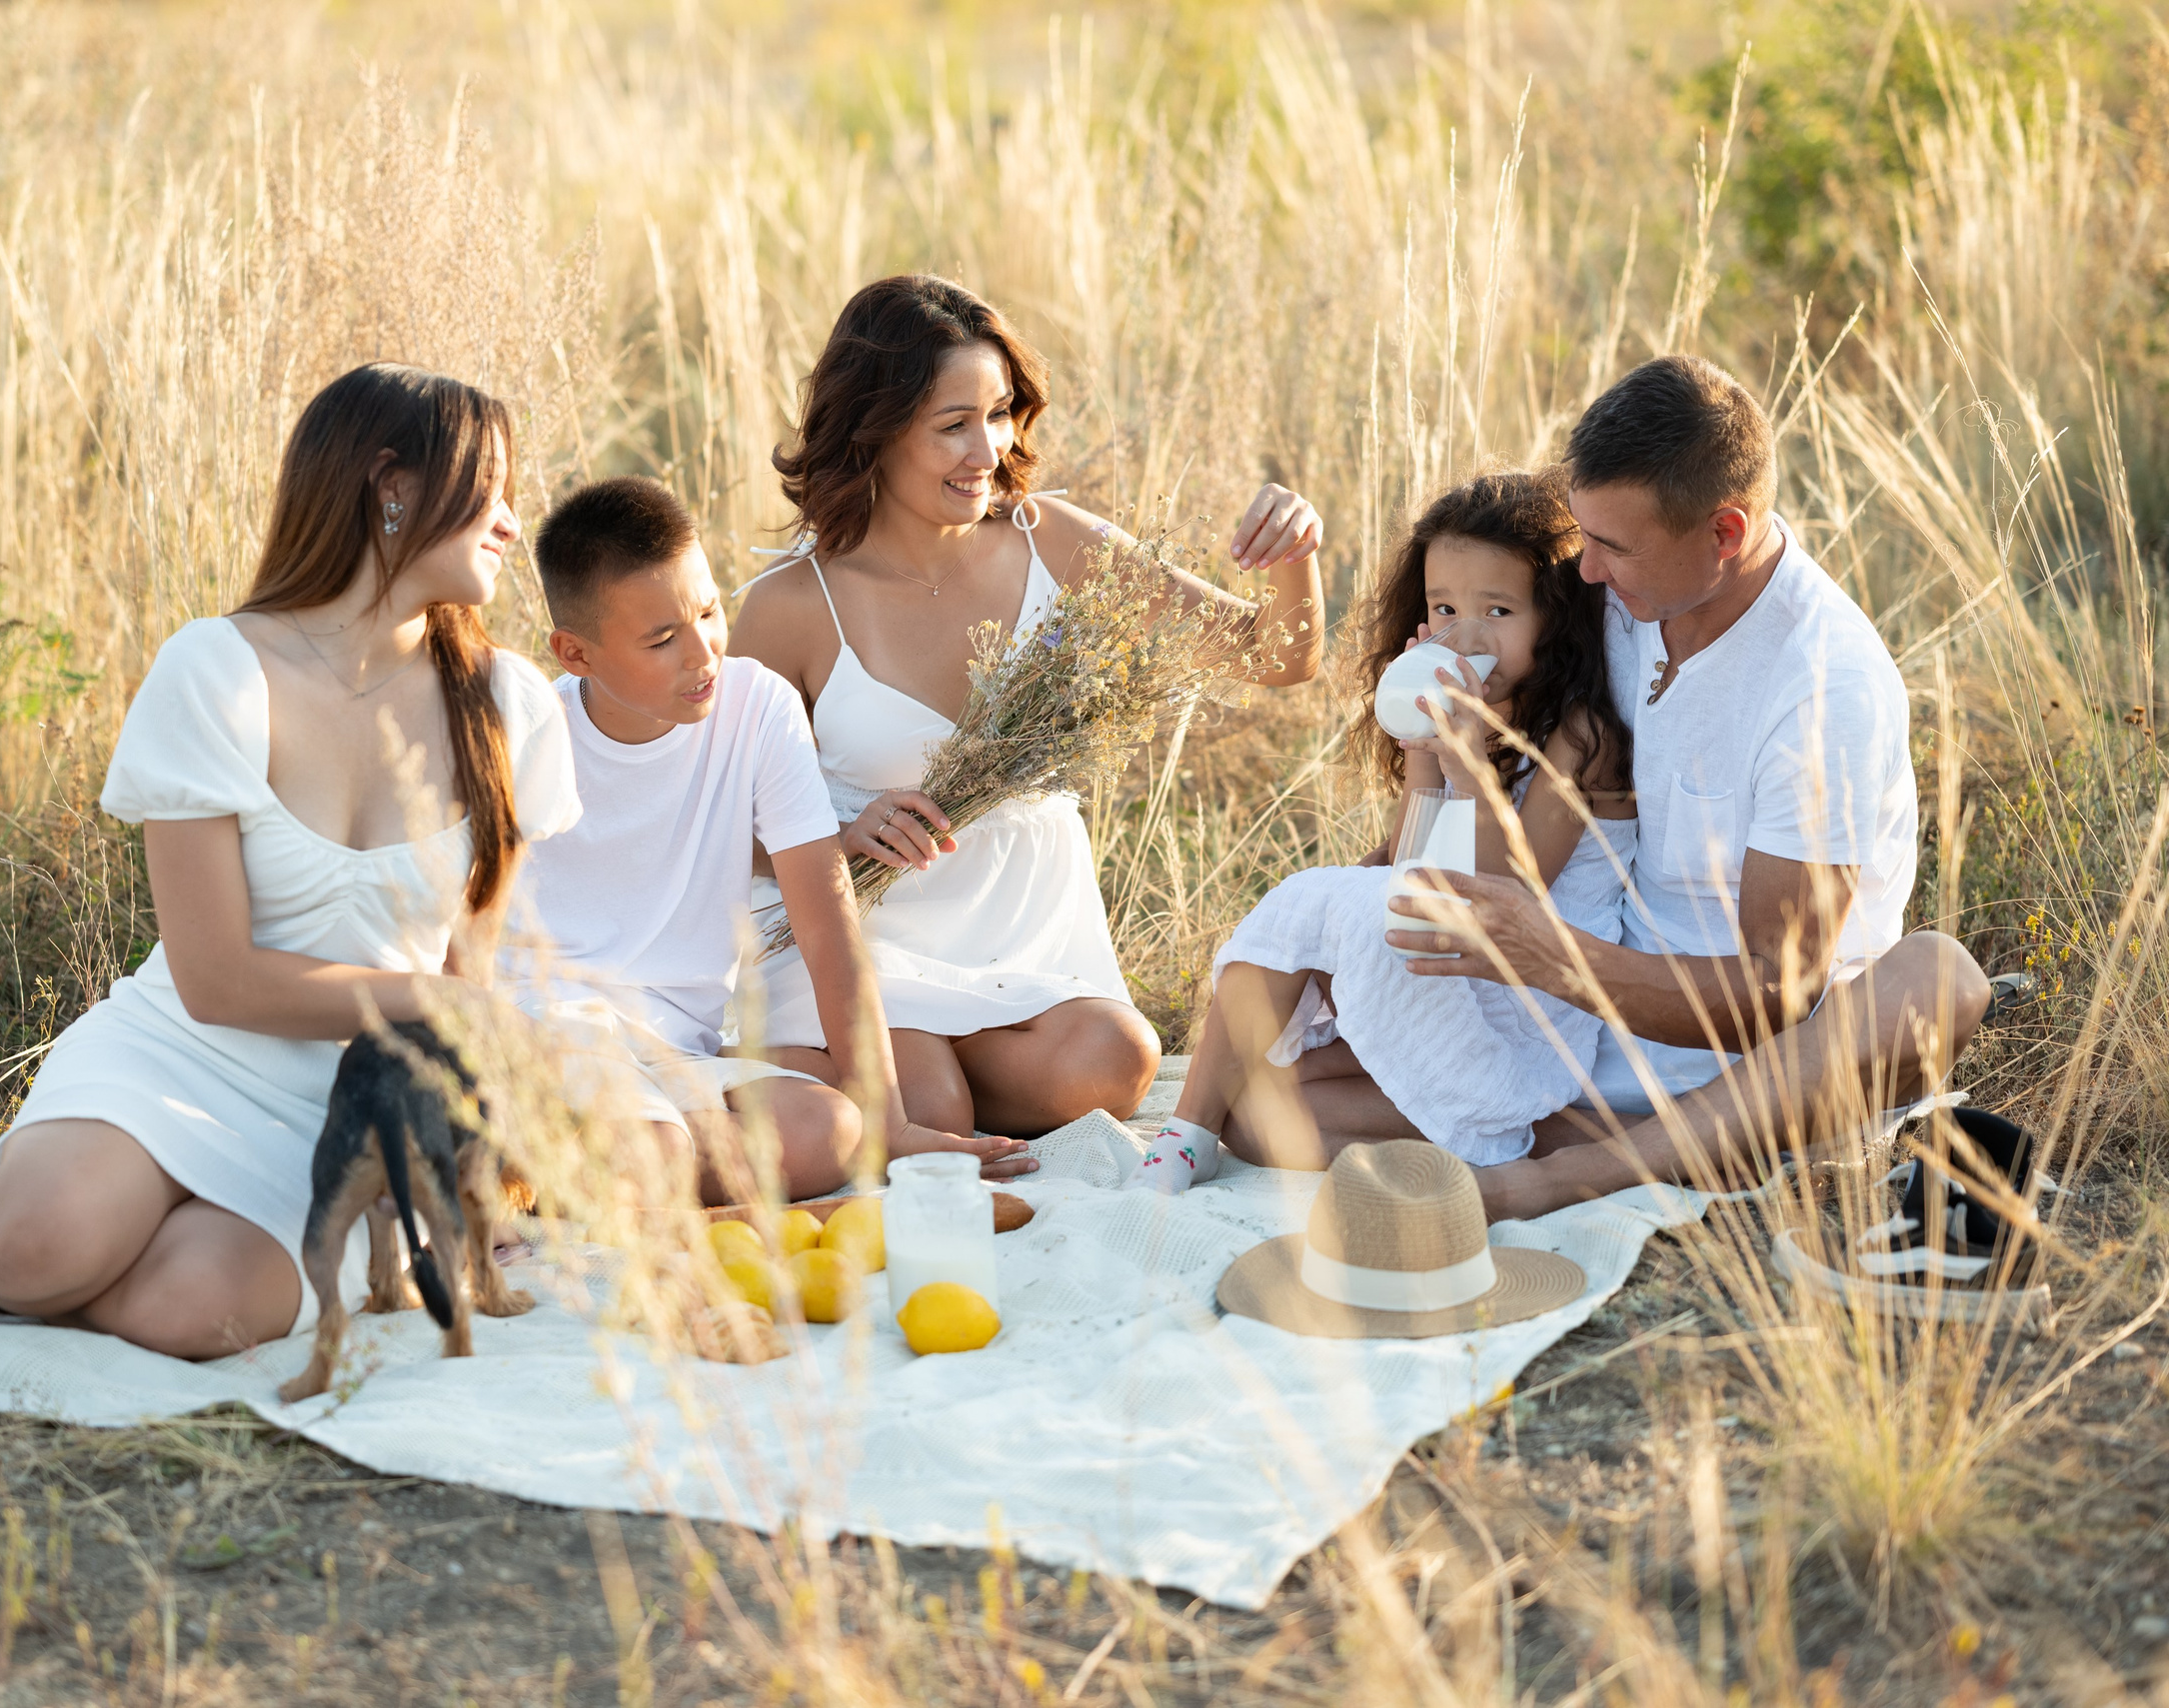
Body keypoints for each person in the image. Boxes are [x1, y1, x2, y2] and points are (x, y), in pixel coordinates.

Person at [0, 364, 580, 1355]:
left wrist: (461, 1172)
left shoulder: (510, 703)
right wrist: (438, 1004)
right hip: (182, 1052)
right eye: (491, 491)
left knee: (197, 1312)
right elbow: (217, 979)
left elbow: (468, 980)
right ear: (390, 484)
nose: (513, 525)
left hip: (339, 1104)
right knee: (37, 1244)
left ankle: (95, 1247)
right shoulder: (218, 670)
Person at [1384, 357, 1993, 1220]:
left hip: (1761, 1079)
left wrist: (1548, 953)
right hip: (1585, 1047)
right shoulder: (1623, 602)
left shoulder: (1825, 685)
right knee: (1272, 1091)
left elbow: (1773, 996)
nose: (1584, 571)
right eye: (1584, 534)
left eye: (1612, 546)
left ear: (1724, 533)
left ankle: (1561, 1178)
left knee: (1940, 978)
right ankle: (1582, 1149)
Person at [728, 274, 1324, 1138]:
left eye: (1000, 413)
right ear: (876, 433)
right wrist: (838, 838)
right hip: (866, 935)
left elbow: (1280, 658)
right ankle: (901, 1080)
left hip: (1019, 937)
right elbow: (716, 809)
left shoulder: (1055, 539)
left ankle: (905, 1080)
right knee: (928, 1107)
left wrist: (1293, 550)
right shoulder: (789, 604)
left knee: (1115, 1062)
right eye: (952, 426)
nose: (989, 449)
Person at [508, 477, 1015, 1199]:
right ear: (575, 654)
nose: (703, 653)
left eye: (709, 612)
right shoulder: (532, 734)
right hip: (551, 1029)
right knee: (653, 1138)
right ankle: (574, 1160)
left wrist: (890, 1120)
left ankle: (573, 1176)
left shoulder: (755, 706)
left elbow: (827, 923)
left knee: (830, 1131)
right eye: (662, 639)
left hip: (675, 1051)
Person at [1131, 469, 1636, 1189]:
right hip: (1448, 974)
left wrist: (1465, 762)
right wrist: (1423, 756)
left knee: (1315, 896)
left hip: (1523, 1017)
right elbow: (1416, 866)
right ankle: (1190, 1133)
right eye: (1445, 608)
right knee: (1249, 1117)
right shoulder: (1476, 721)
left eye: (1498, 610)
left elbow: (1501, 894)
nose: (1466, 633)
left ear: (1556, 616)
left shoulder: (1579, 736)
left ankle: (1496, 1133)